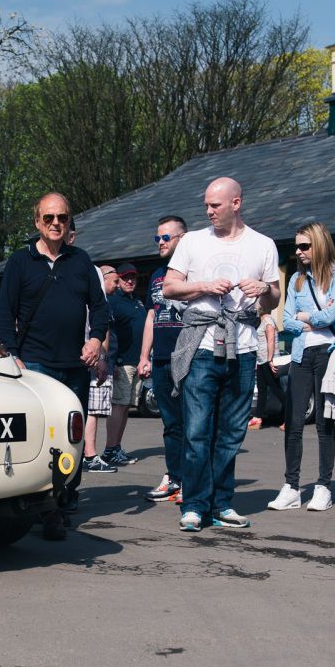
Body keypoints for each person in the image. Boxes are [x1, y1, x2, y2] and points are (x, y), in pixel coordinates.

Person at [162, 177, 280, 532]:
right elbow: (169, 287)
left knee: (231, 433)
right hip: (201, 346)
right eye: (206, 206)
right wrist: (204, 286)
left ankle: (222, 504)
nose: (209, 211)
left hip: (243, 349)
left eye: (215, 205)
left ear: (236, 203)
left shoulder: (263, 244)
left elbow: (274, 296)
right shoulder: (193, 241)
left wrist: (264, 288)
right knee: (196, 431)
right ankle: (194, 505)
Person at [0, 192, 110, 540]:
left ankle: (64, 496)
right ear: (37, 222)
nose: (56, 223)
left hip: (75, 366)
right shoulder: (20, 261)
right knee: (43, 437)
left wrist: (96, 342)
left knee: (72, 438)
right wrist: (13, 356)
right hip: (35, 365)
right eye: (49, 218)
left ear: (69, 221)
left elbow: (100, 309)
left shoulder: (81, 260)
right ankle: (48, 509)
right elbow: (5, 316)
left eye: (62, 217)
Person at [269, 222, 335, 512]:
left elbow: (331, 315)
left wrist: (306, 317)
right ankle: (291, 487)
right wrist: (312, 318)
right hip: (301, 353)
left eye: (304, 246)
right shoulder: (296, 280)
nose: (299, 251)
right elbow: (286, 321)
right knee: (293, 421)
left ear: (320, 244)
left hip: (329, 353)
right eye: (297, 246)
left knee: (323, 422)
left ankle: (323, 487)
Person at [138, 216, 189, 502]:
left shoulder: (193, 271)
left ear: (182, 238)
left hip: (188, 358)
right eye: (157, 238)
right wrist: (144, 356)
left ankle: (192, 480)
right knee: (171, 424)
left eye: (166, 237)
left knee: (193, 423)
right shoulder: (157, 275)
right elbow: (151, 316)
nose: (160, 242)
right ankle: (174, 477)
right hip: (160, 360)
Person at [102, 262, 147, 466]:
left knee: (127, 406)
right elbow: (108, 332)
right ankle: (109, 450)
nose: (130, 281)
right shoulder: (112, 300)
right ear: (118, 280)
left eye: (133, 277)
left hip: (137, 362)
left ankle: (117, 447)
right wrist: (113, 361)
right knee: (118, 405)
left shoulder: (137, 300)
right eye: (126, 277)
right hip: (122, 363)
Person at [83, 266, 119, 473]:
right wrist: (102, 358)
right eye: (115, 281)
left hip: (95, 357)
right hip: (91, 357)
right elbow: (99, 329)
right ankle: (89, 455)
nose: (118, 285)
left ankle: (86, 454)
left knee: (92, 409)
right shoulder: (95, 298)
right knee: (93, 410)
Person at [248, 309, 281, 429]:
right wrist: (258, 361)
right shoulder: (260, 320)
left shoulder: (268, 320)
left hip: (269, 361)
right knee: (262, 391)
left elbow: (270, 340)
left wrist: (269, 360)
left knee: (276, 389)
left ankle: (291, 416)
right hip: (261, 361)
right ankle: (257, 418)